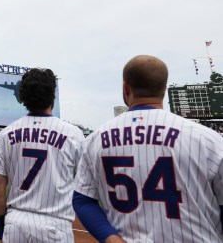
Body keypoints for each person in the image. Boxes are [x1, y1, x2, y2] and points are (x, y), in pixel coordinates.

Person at [73, 55, 223, 242]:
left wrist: (109, 237)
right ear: (164, 89)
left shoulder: (96, 139)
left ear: (125, 88)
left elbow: (83, 200)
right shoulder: (208, 140)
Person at [0, 68, 85, 243]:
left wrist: (1, 231)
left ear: (23, 98)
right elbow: (85, 186)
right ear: (53, 96)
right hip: (55, 225)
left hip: (15, 225)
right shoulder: (74, 134)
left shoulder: (5, 134)